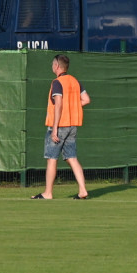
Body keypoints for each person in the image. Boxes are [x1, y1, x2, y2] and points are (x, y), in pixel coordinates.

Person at [32, 54, 91, 200]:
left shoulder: (57, 82)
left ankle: (48, 193)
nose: (52, 66)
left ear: (57, 66)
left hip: (60, 126)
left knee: (52, 159)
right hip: (73, 125)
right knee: (72, 158)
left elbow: (58, 104)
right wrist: (72, 108)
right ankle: (82, 190)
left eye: (53, 64)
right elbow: (86, 99)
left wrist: (55, 128)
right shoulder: (74, 81)